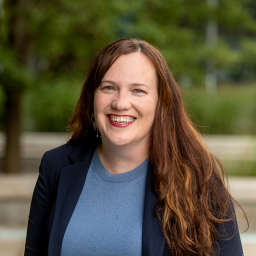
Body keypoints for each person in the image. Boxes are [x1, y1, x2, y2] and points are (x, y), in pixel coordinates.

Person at [24, 38, 247, 256]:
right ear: (92, 97)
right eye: (109, 87)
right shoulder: (55, 166)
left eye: (138, 90)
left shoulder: (198, 176)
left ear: (161, 103)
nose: (120, 103)